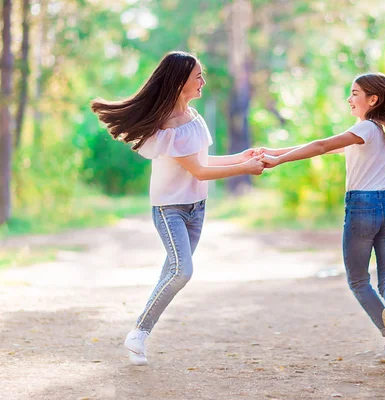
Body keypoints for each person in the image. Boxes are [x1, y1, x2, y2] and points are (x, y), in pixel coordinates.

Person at [91, 51, 264, 365]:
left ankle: (137, 336)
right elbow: (200, 171)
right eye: (198, 75)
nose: (202, 80)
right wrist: (245, 168)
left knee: (172, 271)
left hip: (197, 207)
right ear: (180, 80)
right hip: (169, 209)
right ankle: (139, 334)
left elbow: (202, 162)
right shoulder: (168, 126)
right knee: (182, 270)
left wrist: (241, 157)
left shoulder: (194, 118)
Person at [259, 72, 385, 362]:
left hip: (362, 208)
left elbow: (321, 146)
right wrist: (274, 152)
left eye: (355, 93)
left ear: (373, 99)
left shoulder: (366, 128)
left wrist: (278, 161)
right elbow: (320, 145)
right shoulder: (376, 131)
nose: (349, 98)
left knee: (359, 280)